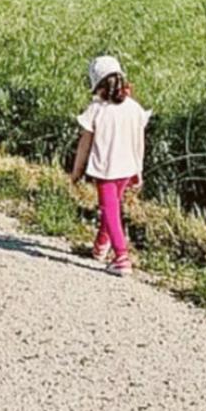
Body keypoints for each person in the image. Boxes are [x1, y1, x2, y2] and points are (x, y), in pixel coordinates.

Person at [70, 55, 152, 277]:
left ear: (96, 84)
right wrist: (139, 170)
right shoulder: (134, 108)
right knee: (113, 206)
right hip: (127, 167)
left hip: (105, 169)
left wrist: (76, 171)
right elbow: (139, 141)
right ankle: (101, 245)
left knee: (110, 209)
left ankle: (122, 257)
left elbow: (84, 145)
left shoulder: (96, 110)